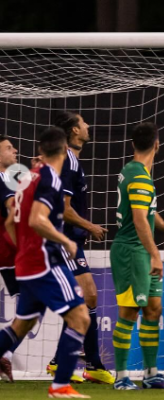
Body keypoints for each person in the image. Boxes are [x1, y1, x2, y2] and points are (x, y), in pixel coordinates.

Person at [0, 127, 90, 398]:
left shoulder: (27, 178)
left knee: (21, 326)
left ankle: (60, 384)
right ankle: (60, 385)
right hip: (44, 263)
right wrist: (66, 241)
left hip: (27, 264)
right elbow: (37, 220)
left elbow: (9, 221)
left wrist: (23, 250)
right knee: (80, 318)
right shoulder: (50, 177)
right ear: (64, 151)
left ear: (42, 150)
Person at [111, 122, 164, 390]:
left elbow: (148, 214)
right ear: (157, 145)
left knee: (153, 309)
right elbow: (140, 220)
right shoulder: (140, 177)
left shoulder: (134, 171)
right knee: (129, 312)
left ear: (134, 144)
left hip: (141, 249)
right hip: (133, 251)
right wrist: (156, 255)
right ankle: (121, 376)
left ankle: (152, 374)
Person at [46, 112, 113, 384]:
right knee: (88, 297)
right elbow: (64, 209)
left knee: (84, 300)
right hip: (64, 240)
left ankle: (71, 362)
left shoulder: (72, 161)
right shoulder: (69, 160)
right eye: (84, 123)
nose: (88, 126)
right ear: (75, 130)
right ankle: (86, 364)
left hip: (70, 240)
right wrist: (91, 226)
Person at [0, 135, 19, 382]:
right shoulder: (4, 181)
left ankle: (6, 357)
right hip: (9, 252)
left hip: (9, 252)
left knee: (28, 306)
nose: (14, 150)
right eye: (8, 147)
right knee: (30, 307)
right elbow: (14, 209)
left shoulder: (11, 179)